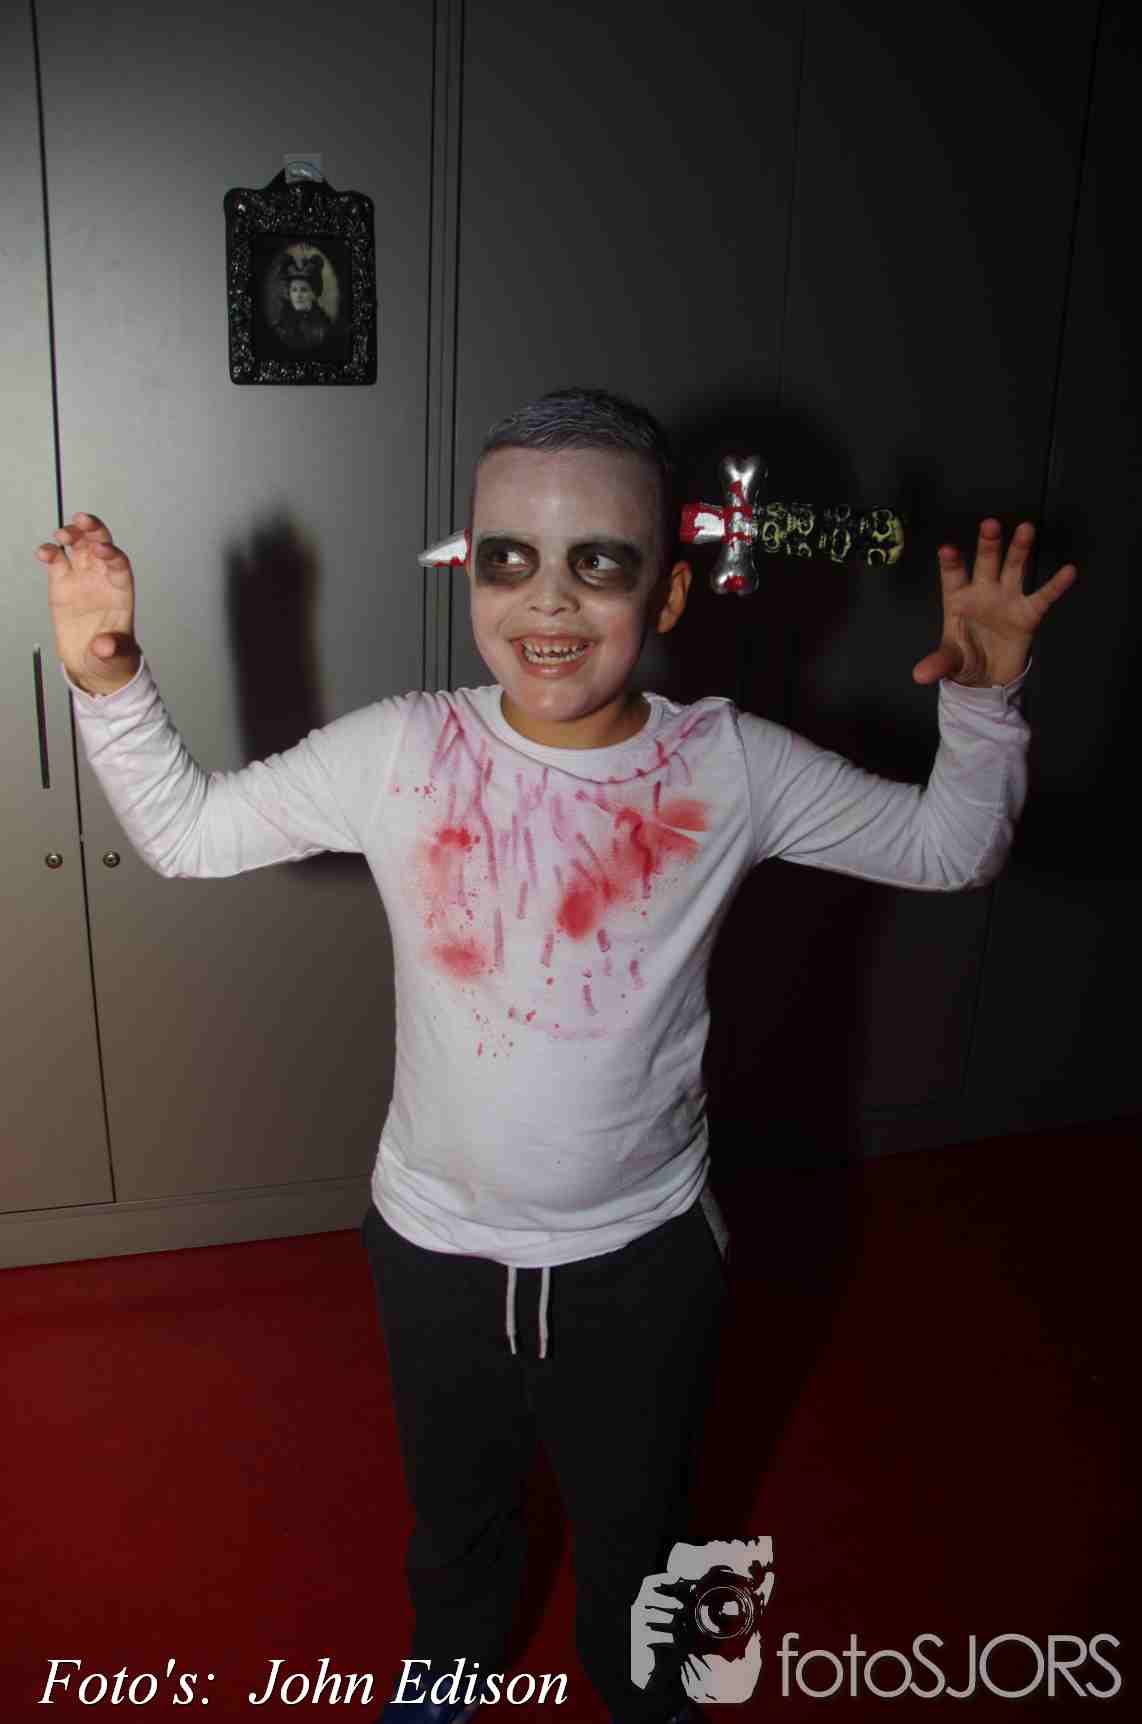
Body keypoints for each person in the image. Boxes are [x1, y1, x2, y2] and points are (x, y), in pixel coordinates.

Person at [35, 387, 1078, 1724]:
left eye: (599, 561)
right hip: (432, 1245)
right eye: (510, 558)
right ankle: (454, 1662)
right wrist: (109, 678)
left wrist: (984, 704)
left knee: (640, 1523)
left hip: (641, 1258)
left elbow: (949, 849)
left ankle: (642, 1683)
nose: (549, 599)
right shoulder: (403, 749)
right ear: (470, 571)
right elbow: (188, 834)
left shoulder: (728, 765)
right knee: (456, 1509)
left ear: (670, 592)